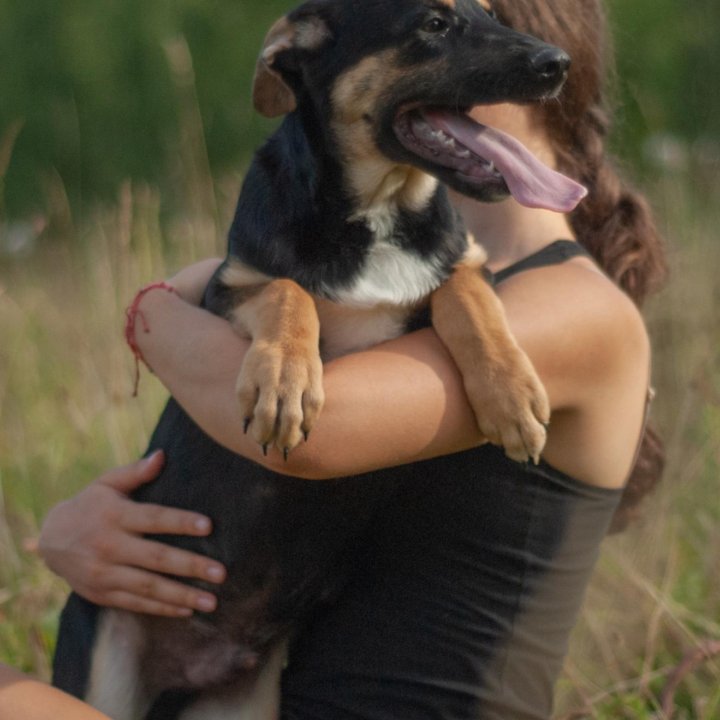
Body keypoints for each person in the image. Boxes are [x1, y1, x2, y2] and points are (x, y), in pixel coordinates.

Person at [39, 0, 667, 717]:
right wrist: (76, 529)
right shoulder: (382, 265)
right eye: (438, 27)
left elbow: (309, 435)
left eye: (476, 22)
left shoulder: (572, 309)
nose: (469, 40)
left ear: (539, 48)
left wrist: (148, 312)